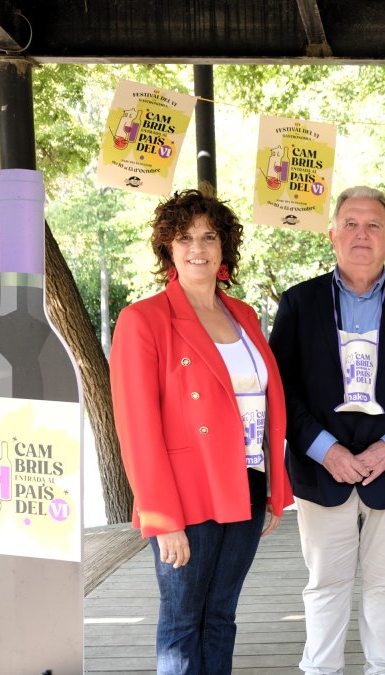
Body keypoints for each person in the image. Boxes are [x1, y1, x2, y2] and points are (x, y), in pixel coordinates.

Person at [111, 188, 292, 674]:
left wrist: (274, 484)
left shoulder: (244, 314)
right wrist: (161, 516)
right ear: (168, 248)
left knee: (221, 617)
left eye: (209, 236)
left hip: (247, 485)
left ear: (224, 247)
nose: (198, 247)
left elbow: (264, 406)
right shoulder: (143, 320)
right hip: (186, 495)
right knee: (183, 621)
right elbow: (136, 427)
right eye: (185, 237)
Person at [269, 186, 385, 675]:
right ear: (332, 234)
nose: (362, 234)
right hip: (322, 473)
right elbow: (282, 390)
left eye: (373, 225)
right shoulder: (299, 303)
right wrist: (325, 450)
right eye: (351, 224)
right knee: (324, 586)